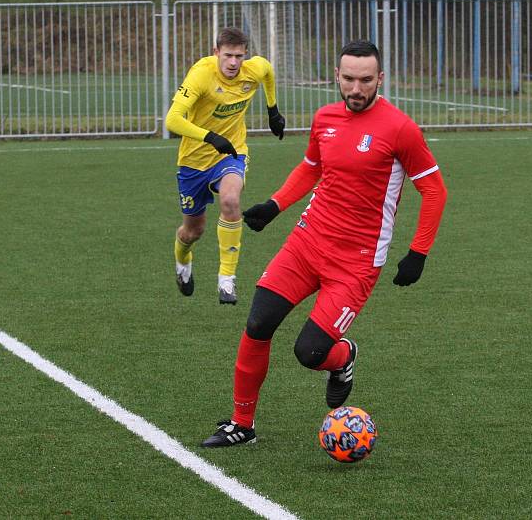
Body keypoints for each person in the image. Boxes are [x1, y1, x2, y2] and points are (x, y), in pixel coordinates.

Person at [201, 40, 448, 447]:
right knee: (258, 324)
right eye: (348, 79)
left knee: (310, 353)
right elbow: (311, 168)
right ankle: (241, 424)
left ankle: (343, 357)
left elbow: (434, 190)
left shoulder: (400, 128)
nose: (356, 88)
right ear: (337, 76)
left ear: (379, 79)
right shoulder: (325, 117)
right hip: (308, 241)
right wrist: (275, 205)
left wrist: (418, 252)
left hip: (356, 262)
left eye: (365, 80)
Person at [165, 27, 285, 305]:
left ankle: (226, 279)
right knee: (193, 231)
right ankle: (182, 260)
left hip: (231, 153)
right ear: (216, 52)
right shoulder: (201, 74)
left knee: (231, 200)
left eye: (239, 56)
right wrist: (209, 137)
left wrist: (273, 110)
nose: (233, 63)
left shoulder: (252, 70)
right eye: (228, 55)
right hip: (193, 160)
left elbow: (267, 71)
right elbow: (172, 120)